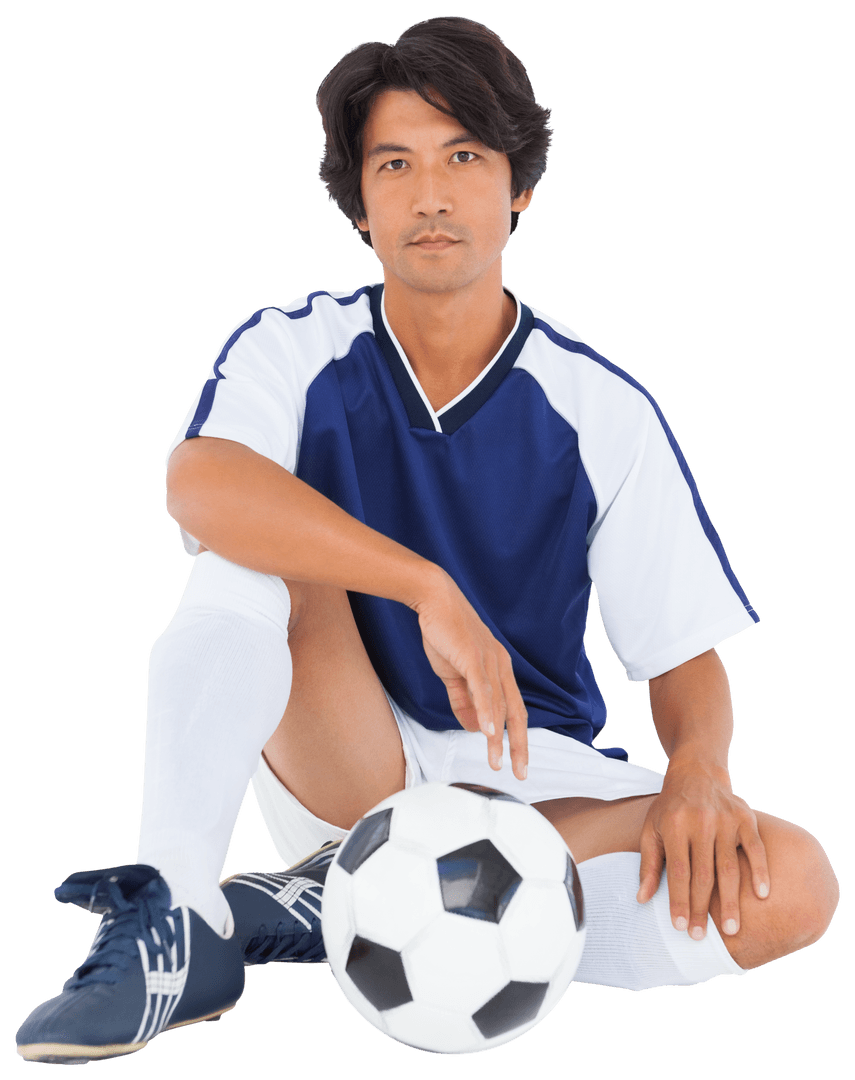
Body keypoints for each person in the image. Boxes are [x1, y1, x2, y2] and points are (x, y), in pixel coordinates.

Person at [15, 15, 839, 1065]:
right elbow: (201, 485)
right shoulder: (294, 345)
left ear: (519, 186)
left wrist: (702, 774)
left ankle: (359, 899)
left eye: (465, 159)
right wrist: (424, 590)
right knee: (260, 544)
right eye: (394, 165)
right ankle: (178, 920)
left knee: (794, 881)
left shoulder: (598, 408)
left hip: (542, 785)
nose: (432, 195)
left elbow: (683, 659)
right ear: (360, 206)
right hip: (352, 749)